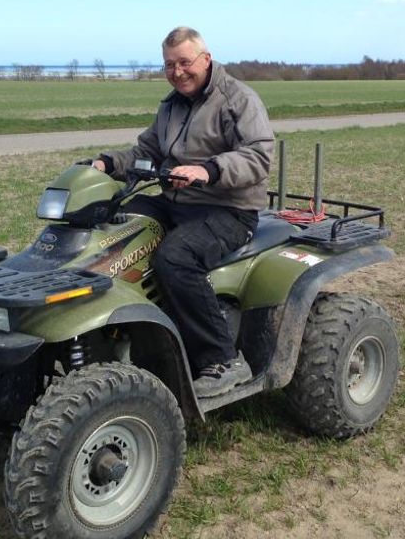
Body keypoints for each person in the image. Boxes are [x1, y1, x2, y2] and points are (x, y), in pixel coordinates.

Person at [92, 26, 274, 398]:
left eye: (185, 62)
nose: (178, 72)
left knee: (175, 257)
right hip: (177, 203)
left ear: (205, 59)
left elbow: (258, 156)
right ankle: (122, 336)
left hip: (229, 208)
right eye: (170, 65)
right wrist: (107, 163)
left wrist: (207, 170)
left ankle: (223, 359)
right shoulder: (171, 105)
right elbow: (147, 152)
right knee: (113, 230)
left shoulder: (237, 99)